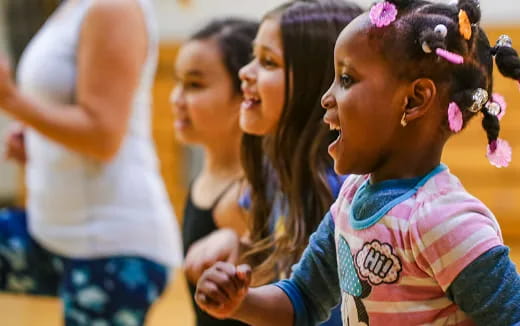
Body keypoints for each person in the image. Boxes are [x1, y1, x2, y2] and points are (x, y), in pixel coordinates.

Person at [194, 0, 520, 325]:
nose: (326, 97)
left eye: (347, 80)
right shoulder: (350, 198)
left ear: (414, 100)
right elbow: (302, 299)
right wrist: (240, 302)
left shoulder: (446, 221)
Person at [0, 0, 181, 324]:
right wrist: (37, 143)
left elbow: (103, 136)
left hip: (113, 246)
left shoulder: (115, 8)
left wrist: (11, 100)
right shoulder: (71, 8)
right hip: (52, 232)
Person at [171, 18, 258, 326]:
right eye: (177, 82)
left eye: (194, 85)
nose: (176, 99)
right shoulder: (206, 181)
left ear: (244, 94)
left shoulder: (244, 200)